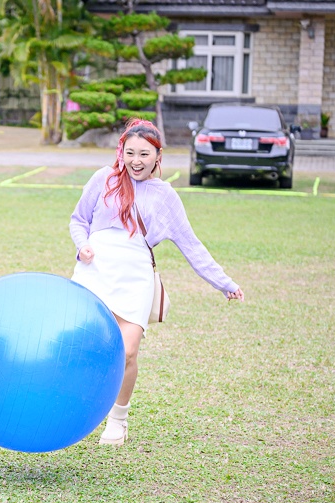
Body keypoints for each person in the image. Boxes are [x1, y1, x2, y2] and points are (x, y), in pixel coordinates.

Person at [69, 118, 244, 445]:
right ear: (121, 152)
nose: (136, 161)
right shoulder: (103, 178)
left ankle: (118, 420)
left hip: (135, 276)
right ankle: (79, 407)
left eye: (144, 154)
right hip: (96, 271)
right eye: (130, 153)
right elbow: (78, 220)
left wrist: (225, 283)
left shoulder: (165, 196)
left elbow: (191, 244)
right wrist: (83, 246)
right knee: (83, 345)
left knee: (128, 352)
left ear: (157, 157)